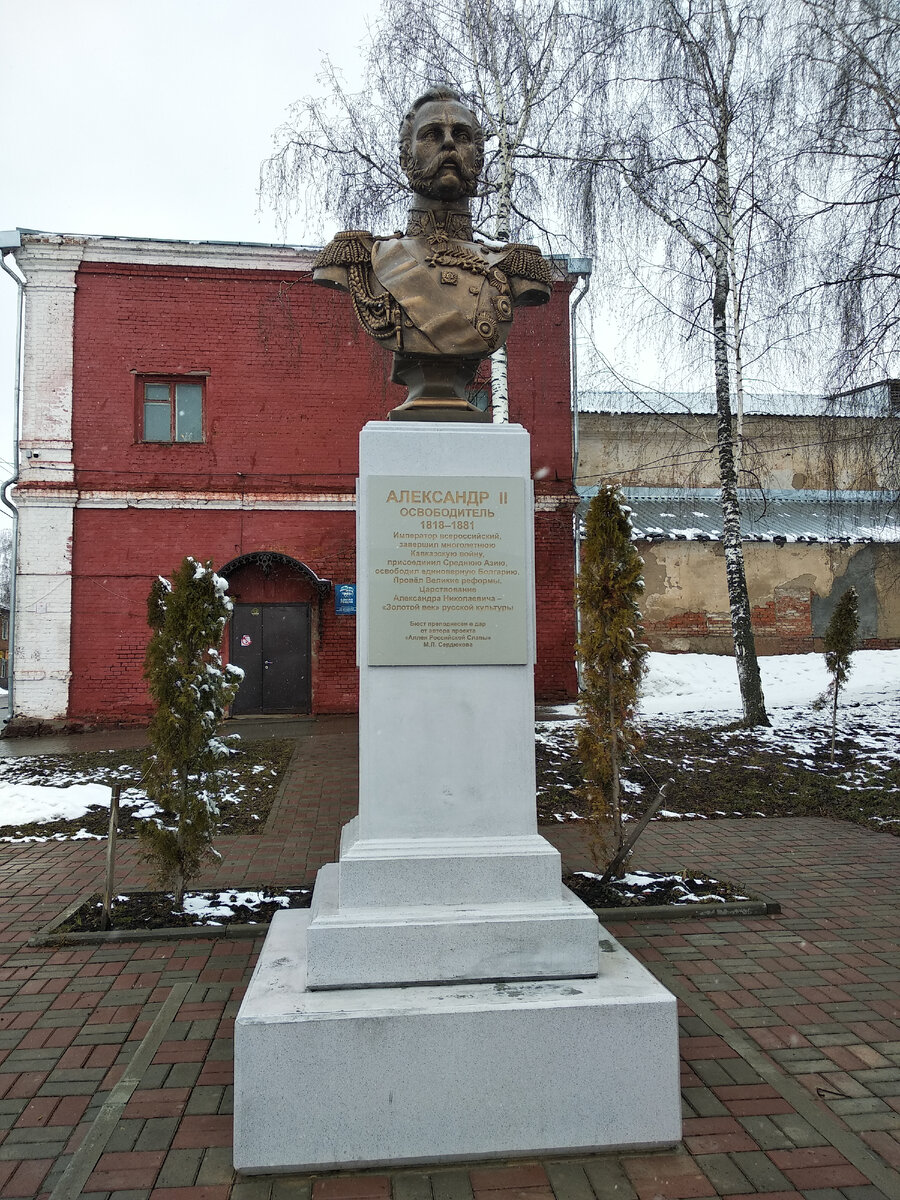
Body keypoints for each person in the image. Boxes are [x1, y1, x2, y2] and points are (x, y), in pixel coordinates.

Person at [312, 87, 552, 420]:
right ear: (405, 156)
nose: (449, 143)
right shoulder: (362, 259)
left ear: (479, 158)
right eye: (432, 135)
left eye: (462, 135)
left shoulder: (517, 268)